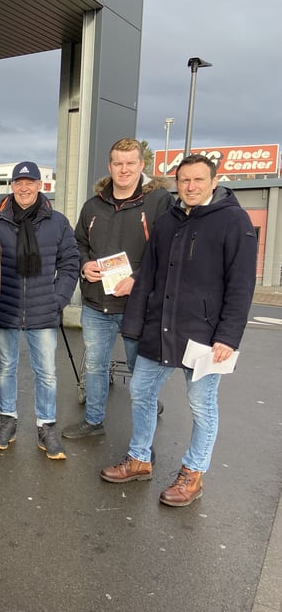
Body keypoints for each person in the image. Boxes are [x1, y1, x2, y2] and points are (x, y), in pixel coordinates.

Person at [101, 154, 257, 507]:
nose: (190, 187)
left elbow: (242, 286)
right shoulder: (168, 220)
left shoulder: (235, 222)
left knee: (201, 405)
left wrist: (228, 338)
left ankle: (194, 473)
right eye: (184, 180)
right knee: (140, 392)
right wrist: (136, 323)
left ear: (214, 182)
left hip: (204, 337)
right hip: (160, 329)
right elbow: (150, 276)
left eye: (198, 180)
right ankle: (139, 458)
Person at [62, 138, 173, 440]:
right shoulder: (93, 205)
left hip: (139, 305)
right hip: (97, 304)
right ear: (110, 166)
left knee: (142, 369)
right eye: (118, 163)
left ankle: (142, 432)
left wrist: (138, 279)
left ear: (141, 165)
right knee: (97, 367)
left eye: (130, 163)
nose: (123, 169)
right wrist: (85, 265)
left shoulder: (159, 202)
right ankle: (94, 421)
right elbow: (78, 243)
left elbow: (167, 250)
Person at [0, 161, 79, 459]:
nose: (24, 187)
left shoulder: (58, 222)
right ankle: (8, 422)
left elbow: (70, 263)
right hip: (6, 309)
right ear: (11, 186)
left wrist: (58, 299)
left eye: (30, 182)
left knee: (47, 373)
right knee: (4, 370)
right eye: (18, 182)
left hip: (44, 310)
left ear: (40, 185)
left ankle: (46, 427)